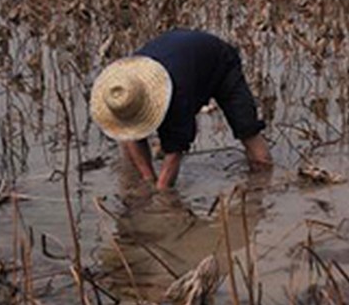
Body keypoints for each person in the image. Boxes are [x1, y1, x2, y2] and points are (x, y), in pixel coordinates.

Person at [89, 29, 272, 189]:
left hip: (219, 60)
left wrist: (161, 196)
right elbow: (129, 135)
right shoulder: (126, 84)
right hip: (179, 56)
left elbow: (175, 152)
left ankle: (263, 190)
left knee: (247, 130)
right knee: (130, 140)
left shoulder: (177, 96)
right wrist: (148, 179)